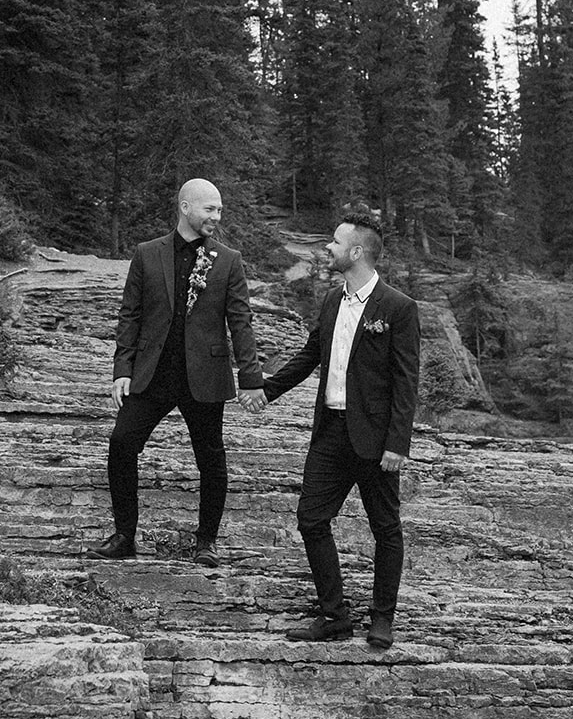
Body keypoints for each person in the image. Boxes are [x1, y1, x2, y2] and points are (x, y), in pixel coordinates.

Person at [88, 178, 267, 567]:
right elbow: (130, 316)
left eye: (219, 210)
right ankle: (124, 536)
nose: (216, 217)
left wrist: (251, 379)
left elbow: (241, 322)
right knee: (121, 444)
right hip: (152, 374)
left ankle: (207, 542)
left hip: (204, 377)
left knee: (211, 459)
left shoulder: (229, 260)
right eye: (209, 209)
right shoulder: (147, 254)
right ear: (186, 208)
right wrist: (122, 368)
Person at [262, 211, 420, 648]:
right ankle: (334, 615)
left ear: (355, 252)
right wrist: (263, 390)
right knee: (312, 519)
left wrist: (398, 443)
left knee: (385, 528)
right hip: (331, 432)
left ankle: (382, 617)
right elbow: (311, 354)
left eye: (334, 243)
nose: (326, 248)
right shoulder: (333, 300)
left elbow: (407, 380)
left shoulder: (398, 307)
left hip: (375, 438)